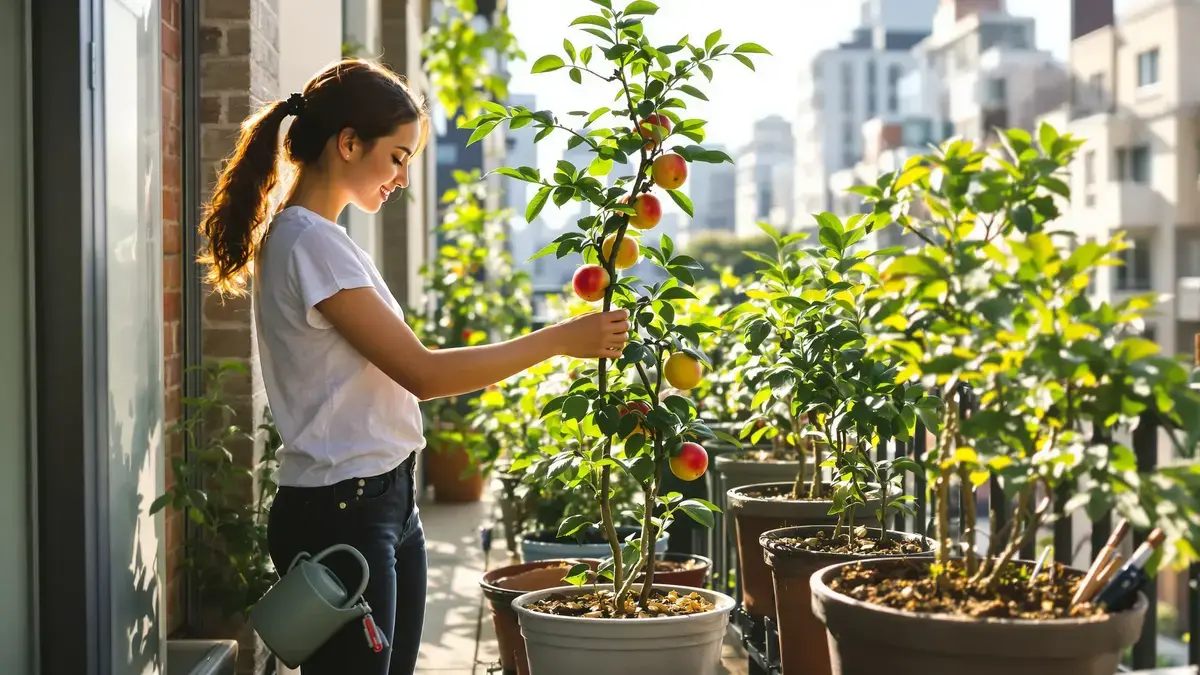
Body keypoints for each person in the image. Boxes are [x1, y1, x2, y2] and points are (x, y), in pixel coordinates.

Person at [197, 59, 629, 675]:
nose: (403, 178)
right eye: (398, 157)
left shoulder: (321, 239)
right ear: (348, 143)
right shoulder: (308, 242)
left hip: (383, 502)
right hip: (343, 512)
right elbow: (422, 374)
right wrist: (560, 340)